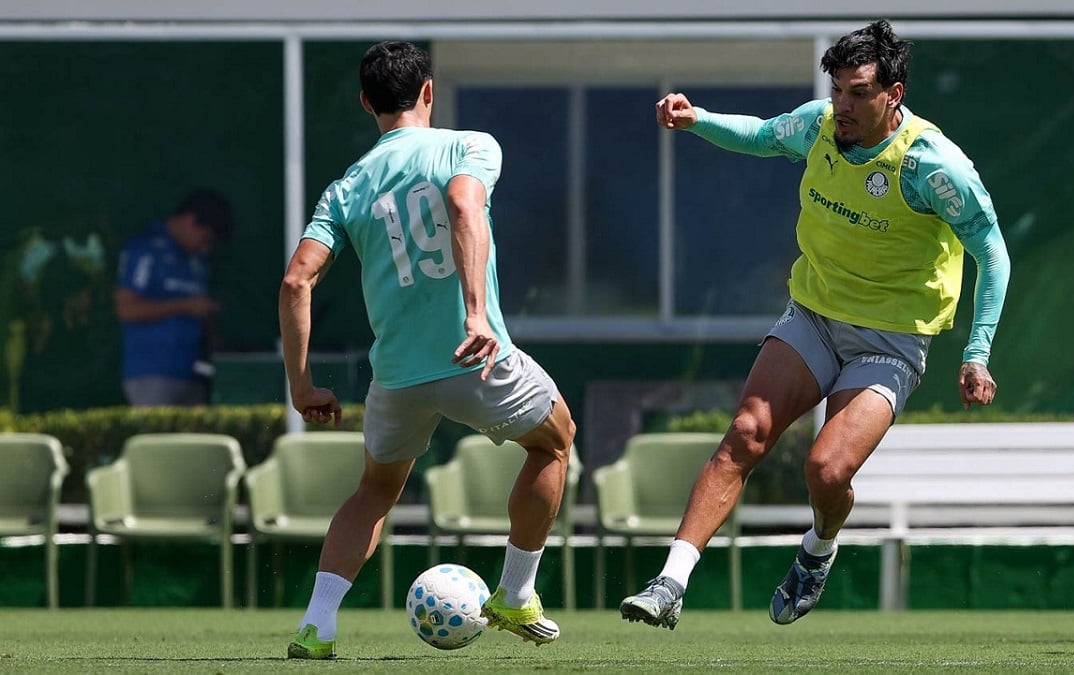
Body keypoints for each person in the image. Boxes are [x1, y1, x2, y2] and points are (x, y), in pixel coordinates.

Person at [620, 19, 1010, 629]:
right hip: (814, 317)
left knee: (826, 470)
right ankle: (670, 583)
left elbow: (993, 254)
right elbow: (761, 135)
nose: (842, 106)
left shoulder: (935, 168)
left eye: (858, 93)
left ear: (894, 95)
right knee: (746, 434)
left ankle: (819, 547)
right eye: (837, 92)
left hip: (890, 341)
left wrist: (976, 352)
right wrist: (698, 119)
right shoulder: (820, 126)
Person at [279, 41, 577, 659]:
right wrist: (474, 312)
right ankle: (516, 593)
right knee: (555, 440)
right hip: (476, 357)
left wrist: (302, 386)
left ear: (367, 104)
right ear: (429, 92)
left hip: (397, 376)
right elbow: (465, 204)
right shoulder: (470, 145)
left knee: (375, 491)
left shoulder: (346, 187)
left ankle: (316, 626)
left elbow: (295, 282)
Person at [114, 189, 232, 406]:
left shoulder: (197, 261)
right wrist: (184, 306)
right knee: (158, 439)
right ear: (189, 220)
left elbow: (201, 309)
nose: (205, 248)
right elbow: (126, 309)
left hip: (196, 373)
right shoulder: (145, 249)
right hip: (152, 373)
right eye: (205, 238)